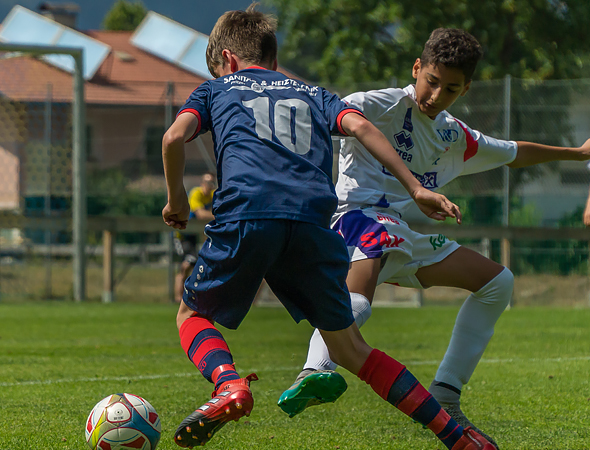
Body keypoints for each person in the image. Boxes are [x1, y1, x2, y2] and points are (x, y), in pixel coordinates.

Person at [162, 6, 493, 449]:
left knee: (191, 314)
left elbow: (171, 138)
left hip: (247, 212)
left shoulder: (216, 89)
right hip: (313, 222)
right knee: (352, 350)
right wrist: (415, 188)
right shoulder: (312, 93)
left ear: (228, 59)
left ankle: (227, 384)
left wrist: (177, 200)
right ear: (273, 61)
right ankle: (459, 438)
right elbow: (360, 127)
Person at [278, 28, 590, 449]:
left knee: (498, 282)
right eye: (433, 81)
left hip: (400, 234)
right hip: (354, 219)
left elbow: (516, 153)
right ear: (417, 69)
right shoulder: (379, 104)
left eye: (451, 88)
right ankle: (313, 372)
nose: (437, 95)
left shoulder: (452, 136)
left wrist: (579, 155)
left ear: (466, 89)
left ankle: (447, 393)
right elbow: (317, 120)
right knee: (360, 297)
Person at [173, 173, 215, 303]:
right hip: (181, 235)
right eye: (207, 182)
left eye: (212, 183)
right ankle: (178, 298)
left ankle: (185, 298)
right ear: (202, 183)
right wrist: (217, 216)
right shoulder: (196, 193)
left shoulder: (214, 196)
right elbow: (201, 214)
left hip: (195, 235)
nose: (209, 186)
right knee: (185, 265)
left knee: (193, 265)